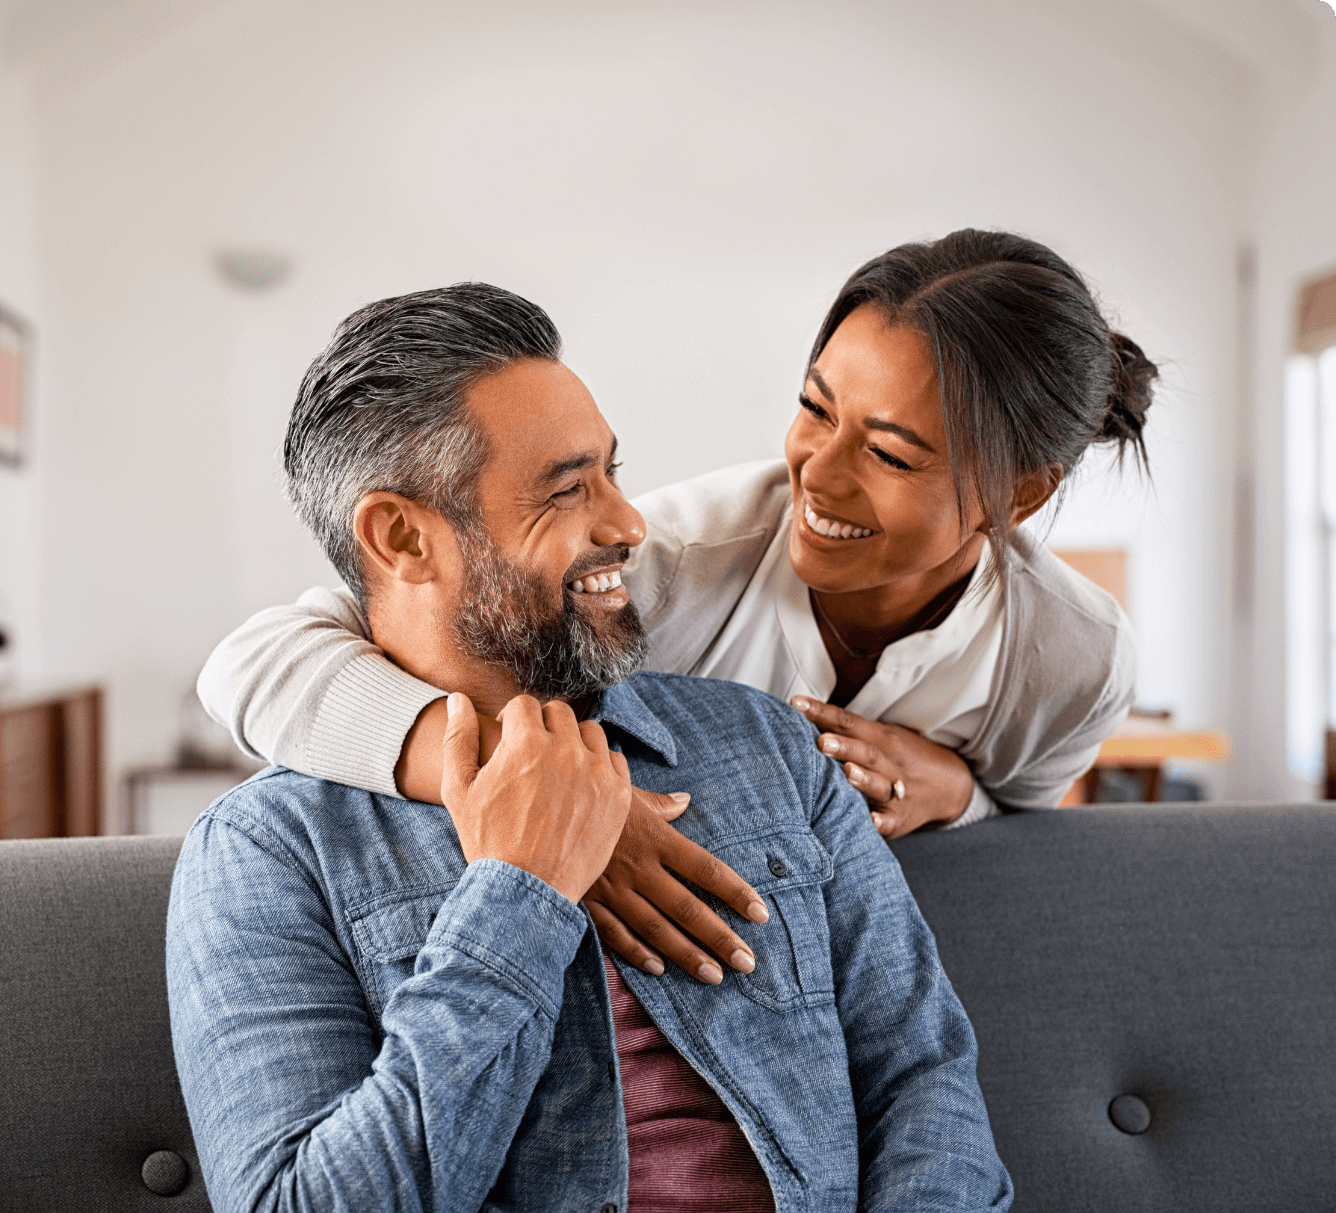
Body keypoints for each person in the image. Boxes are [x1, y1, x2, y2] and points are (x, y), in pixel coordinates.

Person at [166, 283, 1013, 1212]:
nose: (628, 523)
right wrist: (516, 896)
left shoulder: (770, 746)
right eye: (569, 489)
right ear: (403, 536)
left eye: (613, 472)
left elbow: (924, 1075)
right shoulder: (268, 851)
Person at [196, 230, 1153, 985]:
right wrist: (551, 796)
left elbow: (1030, 834)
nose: (816, 472)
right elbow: (255, 662)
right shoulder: (675, 561)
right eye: (815, 409)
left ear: (1019, 495)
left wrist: (960, 794)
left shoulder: (1073, 657)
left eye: (891, 453)